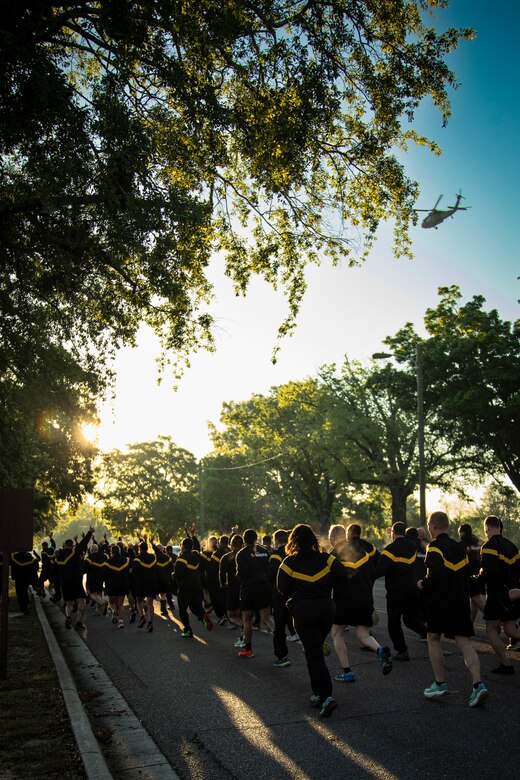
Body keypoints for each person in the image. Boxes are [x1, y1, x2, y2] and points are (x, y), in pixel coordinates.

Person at [417, 511, 489, 708]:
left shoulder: (434, 547)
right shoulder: (459, 548)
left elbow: (436, 575)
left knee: (433, 638)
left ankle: (440, 683)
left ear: (432, 526)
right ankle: (478, 684)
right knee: (465, 643)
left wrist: (423, 583)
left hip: (440, 603)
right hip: (460, 602)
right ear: (447, 526)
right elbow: (468, 576)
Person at [277, 524, 347, 718]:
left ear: (294, 541)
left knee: (313, 653)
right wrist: (326, 587)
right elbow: (342, 576)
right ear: (314, 540)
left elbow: (282, 588)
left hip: (303, 611)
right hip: (326, 609)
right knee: (315, 649)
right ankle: (317, 693)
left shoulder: (289, 562)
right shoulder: (327, 559)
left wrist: (299, 594)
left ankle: (326, 696)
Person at [332, 524, 392, 675]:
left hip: (344, 600)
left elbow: (328, 574)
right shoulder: (366, 552)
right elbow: (377, 566)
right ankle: (380, 650)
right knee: (363, 635)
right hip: (365, 598)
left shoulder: (337, 552)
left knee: (337, 633)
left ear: (346, 535)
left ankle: (347, 672)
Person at [375, 522, 427, 661]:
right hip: (412, 590)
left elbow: (379, 570)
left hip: (396, 592)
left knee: (394, 621)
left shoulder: (390, 549)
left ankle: (402, 650)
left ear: (393, 532)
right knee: (410, 620)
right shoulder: (412, 546)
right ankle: (430, 634)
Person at [479, 514, 520, 674]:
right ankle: (506, 664)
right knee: (510, 629)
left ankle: (506, 664)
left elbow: (490, 573)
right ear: (500, 527)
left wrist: (476, 580)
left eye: (486, 530)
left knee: (490, 628)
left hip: (498, 595)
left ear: (487, 528)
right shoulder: (512, 546)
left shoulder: (488, 547)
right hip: (514, 593)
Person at [235, 529, 274, 658]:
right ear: (256, 538)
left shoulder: (241, 553)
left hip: (249, 588)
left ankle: (248, 649)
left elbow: (241, 574)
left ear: (244, 539)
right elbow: (270, 569)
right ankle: (280, 642)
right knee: (267, 618)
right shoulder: (265, 551)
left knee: (246, 619)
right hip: (265, 587)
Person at [173, 527, 213, 637]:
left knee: (182, 610)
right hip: (197, 586)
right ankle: (203, 615)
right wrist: (192, 535)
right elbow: (197, 546)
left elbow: (178, 574)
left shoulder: (181, 558)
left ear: (183, 547)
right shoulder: (196, 556)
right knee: (196, 607)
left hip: (185, 587)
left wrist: (173, 575)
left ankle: (188, 630)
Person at [55, 527, 94, 631]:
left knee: (68, 603)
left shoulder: (59, 556)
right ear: (72, 545)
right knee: (81, 601)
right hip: (76, 582)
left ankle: (68, 617)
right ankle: (78, 622)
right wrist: (89, 532)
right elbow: (83, 544)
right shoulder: (74, 551)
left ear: (64, 545)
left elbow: (55, 569)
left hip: (64, 582)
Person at [268, 529, 292, 668]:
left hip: (280, 597)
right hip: (295, 596)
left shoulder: (275, 556)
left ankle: (282, 656)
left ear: (276, 541)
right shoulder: (293, 553)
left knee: (279, 627)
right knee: (301, 625)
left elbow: (271, 576)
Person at [219, 534, 244, 647]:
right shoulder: (246, 555)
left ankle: (245, 628)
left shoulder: (227, 557)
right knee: (239, 614)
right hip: (244, 586)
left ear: (231, 544)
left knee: (231, 615)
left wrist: (223, 585)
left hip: (232, 587)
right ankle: (243, 637)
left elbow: (222, 574)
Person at [458, 522, 486, 623]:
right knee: (474, 603)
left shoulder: (461, 545)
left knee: (477, 601)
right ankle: (470, 625)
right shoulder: (477, 542)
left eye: (460, 532)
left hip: (468, 576)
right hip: (479, 575)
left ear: (462, 532)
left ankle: (495, 620)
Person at [131, 537, 158, 633]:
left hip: (140, 583)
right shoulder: (153, 557)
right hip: (151, 582)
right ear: (147, 548)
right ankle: (150, 622)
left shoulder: (137, 559)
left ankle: (142, 616)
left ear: (140, 549)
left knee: (138, 600)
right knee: (150, 603)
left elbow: (133, 572)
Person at [105, 544, 131, 628]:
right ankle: (121, 622)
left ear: (112, 552)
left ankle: (113, 611)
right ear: (119, 551)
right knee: (120, 604)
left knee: (112, 602)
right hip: (123, 584)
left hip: (111, 585)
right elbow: (130, 571)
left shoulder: (108, 562)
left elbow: (104, 575)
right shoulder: (126, 560)